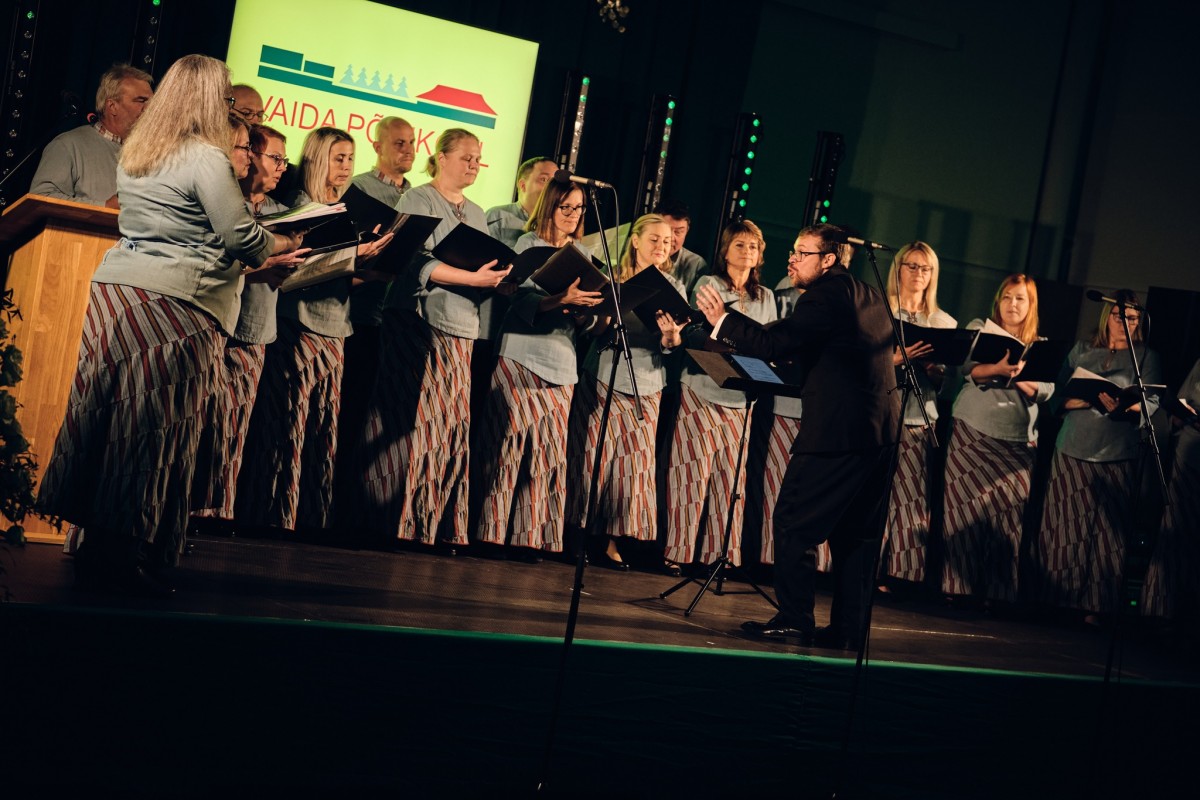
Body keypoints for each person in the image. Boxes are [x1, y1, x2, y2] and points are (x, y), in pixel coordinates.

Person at [34, 54, 300, 594]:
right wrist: (284, 241)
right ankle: (126, 558)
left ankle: (97, 548)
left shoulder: (140, 150)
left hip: (119, 293)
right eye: (226, 98)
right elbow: (241, 238)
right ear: (208, 100)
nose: (230, 107)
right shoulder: (204, 156)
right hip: (177, 302)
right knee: (153, 430)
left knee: (109, 422)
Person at [697, 223, 900, 649]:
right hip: (880, 433)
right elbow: (836, 353)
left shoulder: (824, 295)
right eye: (793, 250)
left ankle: (795, 619)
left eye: (802, 252)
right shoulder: (869, 294)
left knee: (793, 521)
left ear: (829, 259)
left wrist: (723, 320)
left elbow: (777, 343)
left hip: (838, 433)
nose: (792, 259)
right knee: (856, 536)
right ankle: (848, 631)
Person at [357, 128, 511, 550]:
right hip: (418, 324)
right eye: (466, 157)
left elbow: (481, 266)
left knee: (448, 427)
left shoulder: (476, 212)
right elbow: (413, 261)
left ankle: (436, 523)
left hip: (462, 328)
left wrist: (497, 278)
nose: (474, 165)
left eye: (478, 159)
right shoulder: (418, 199)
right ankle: (400, 522)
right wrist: (473, 278)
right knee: (412, 423)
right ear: (441, 157)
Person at [237, 127, 390, 535]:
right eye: (339, 158)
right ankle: (273, 513)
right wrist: (352, 255)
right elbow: (295, 273)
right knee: (288, 421)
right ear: (319, 159)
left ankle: (309, 517)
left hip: (336, 326)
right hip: (299, 324)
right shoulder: (301, 208)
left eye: (351, 159)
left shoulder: (345, 209)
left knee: (322, 427)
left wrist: (371, 268)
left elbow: (336, 277)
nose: (346, 167)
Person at [475, 180, 602, 560]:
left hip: (562, 361)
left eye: (579, 209)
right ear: (549, 206)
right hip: (522, 353)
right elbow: (517, 301)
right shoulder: (528, 245)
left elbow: (589, 319)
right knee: (506, 447)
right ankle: (490, 533)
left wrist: (583, 311)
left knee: (547, 456)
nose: (573, 215)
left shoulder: (583, 253)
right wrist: (560, 298)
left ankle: (529, 538)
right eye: (566, 207)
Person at [191, 121, 306, 531]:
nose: (282, 167)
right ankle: (188, 506)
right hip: (215, 322)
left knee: (234, 424)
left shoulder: (283, 214)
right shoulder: (225, 203)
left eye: (285, 160)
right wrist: (263, 266)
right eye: (275, 158)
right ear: (249, 155)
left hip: (255, 327)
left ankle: (217, 511)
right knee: (202, 419)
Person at [1034, 290, 1161, 626]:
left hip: (1116, 452)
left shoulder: (1146, 357)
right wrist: (1082, 400)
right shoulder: (1082, 350)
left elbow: (1152, 403)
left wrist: (1126, 407)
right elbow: (1055, 393)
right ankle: (1055, 599)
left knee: (1106, 536)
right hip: (1073, 446)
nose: (1125, 323)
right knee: (1064, 525)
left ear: (1139, 322)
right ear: (1108, 317)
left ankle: (1097, 606)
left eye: (1132, 318)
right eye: (1119, 316)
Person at [566, 213, 686, 569]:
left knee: (631, 468)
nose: (662, 246)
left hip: (647, 383)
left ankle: (612, 541)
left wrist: (671, 337)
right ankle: (577, 535)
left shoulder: (673, 287)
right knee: (592, 459)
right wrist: (602, 314)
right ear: (635, 241)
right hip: (605, 376)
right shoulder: (612, 278)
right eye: (654, 239)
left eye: (667, 242)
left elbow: (672, 346)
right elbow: (595, 329)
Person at [664, 220, 776, 573]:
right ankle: (678, 553)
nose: (747, 252)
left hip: (741, 399)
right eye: (740, 245)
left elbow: (767, 347)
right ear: (725, 250)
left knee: (731, 481)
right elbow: (694, 332)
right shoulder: (708, 284)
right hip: (702, 389)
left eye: (753, 246)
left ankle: (720, 556)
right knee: (691, 475)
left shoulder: (766, 297)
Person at [941, 275, 1053, 605]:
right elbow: (968, 369)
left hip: (1017, 442)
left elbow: (1047, 390)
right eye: (1006, 297)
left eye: (1020, 299)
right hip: (973, 430)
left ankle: (997, 593)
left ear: (1031, 306)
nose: (1012, 304)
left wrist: (1017, 377)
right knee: (962, 510)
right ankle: (957, 589)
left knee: (1008, 519)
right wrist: (998, 369)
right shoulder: (981, 327)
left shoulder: (1040, 344)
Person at [337, 116, 417, 509]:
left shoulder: (417, 195)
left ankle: (356, 502)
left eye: (412, 142)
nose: (408, 150)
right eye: (399, 143)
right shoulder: (357, 188)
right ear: (377, 146)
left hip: (394, 319)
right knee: (347, 407)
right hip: (354, 313)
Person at [878, 242, 957, 589]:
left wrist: (933, 370)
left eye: (925, 268)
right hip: (881, 412)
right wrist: (897, 359)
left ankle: (899, 573)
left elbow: (950, 382)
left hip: (918, 416)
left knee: (909, 497)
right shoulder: (881, 310)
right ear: (898, 269)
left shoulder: (943, 321)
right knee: (874, 493)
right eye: (911, 266)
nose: (918, 274)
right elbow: (864, 361)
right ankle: (863, 568)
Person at [29, 63, 154, 208]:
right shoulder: (68, 145)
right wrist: (104, 206)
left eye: (153, 102)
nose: (151, 107)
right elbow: (41, 198)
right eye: (141, 100)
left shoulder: (154, 155)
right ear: (112, 106)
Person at [1142, 357, 1200, 624]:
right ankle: (1161, 612)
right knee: (1174, 532)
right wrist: (1180, 413)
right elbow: (1183, 400)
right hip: (1188, 455)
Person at [486, 156, 557, 248]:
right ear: (523, 185)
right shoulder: (497, 216)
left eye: (555, 182)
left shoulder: (560, 224)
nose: (551, 187)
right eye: (544, 179)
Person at [654, 199, 709, 293]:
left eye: (678, 232)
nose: (671, 238)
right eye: (666, 229)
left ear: (686, 231)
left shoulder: (697, 265)